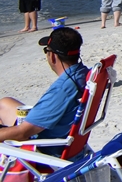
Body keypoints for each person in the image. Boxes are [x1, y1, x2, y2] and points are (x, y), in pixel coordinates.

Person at [0, 28, 89, 159]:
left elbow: (22, 133)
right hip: (66, 137)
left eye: (46, 51)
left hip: (43, 145)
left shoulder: (63, 89)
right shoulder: (83, 74)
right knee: (4, 103)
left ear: (52, 56)